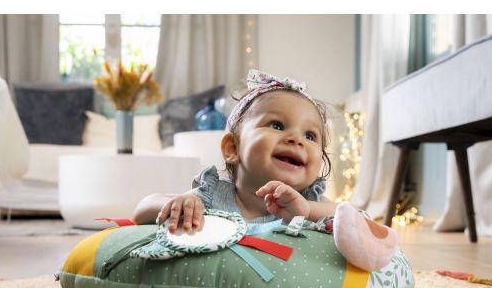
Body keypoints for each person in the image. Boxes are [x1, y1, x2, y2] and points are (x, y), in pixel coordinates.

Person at [133, 69, 396, 271]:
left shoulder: (310, 203)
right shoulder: (211, 196)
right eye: (277, 126)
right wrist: (179, 202)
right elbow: (142, 209)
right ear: (232, 148)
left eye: (310, 136)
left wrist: (306, 210)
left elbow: (357, 219)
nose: (297, 139)